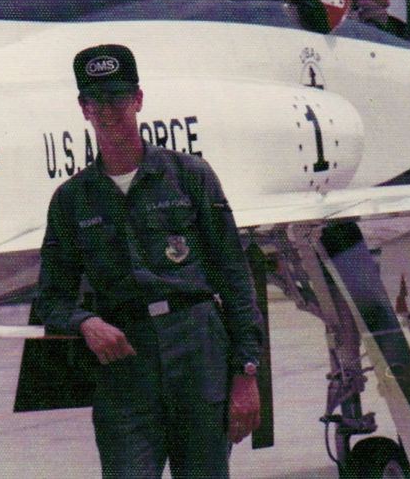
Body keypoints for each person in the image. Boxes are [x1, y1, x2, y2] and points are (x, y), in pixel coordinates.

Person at [35, 43, 266, 479]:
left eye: (118, 98)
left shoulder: (189, 176)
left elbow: (235, 279)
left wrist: (247, 372)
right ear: (83, 108)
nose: (108, 111)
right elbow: (51, 299)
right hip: (125, 365)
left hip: (197, 350)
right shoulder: (71, 200)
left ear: (138, 100)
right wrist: (86, 322)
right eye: (96, 101)